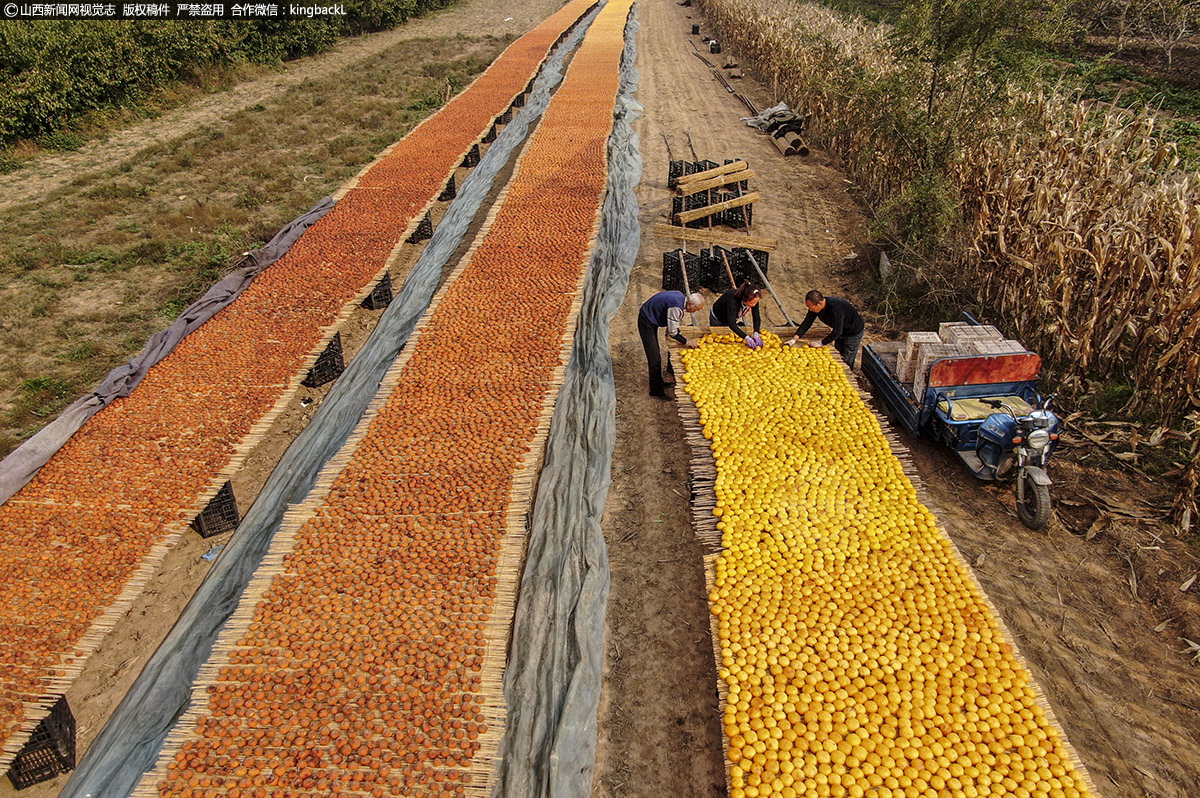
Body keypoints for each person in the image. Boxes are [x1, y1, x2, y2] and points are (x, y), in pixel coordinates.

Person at [638, 290, 704, 400]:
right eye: (696, 309)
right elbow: (673, 332)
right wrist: (687, 342)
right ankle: (655, 391)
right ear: (690, 303)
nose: (694, 312)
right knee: (655, 359)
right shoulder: (676, 306)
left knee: (656, 356)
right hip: (646, 320)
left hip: (651, 315)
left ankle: (659, 382)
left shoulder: (680, 297)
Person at [788, 290, 865, 369]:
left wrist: (822, 342)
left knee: (847, 358)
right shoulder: (815, 307)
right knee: (838, 353)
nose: (810, 310)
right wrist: (795, 338)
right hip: (840, 330)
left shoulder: (836, 309)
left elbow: (838, 331)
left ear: (820, 303)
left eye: (811, 307)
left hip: (853, 331)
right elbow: (807, 322)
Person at [710, 282, 763, 348]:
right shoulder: (733, 301)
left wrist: (756, 332)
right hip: (718, 317)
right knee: (717, 339)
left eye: (756, 302)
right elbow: (731, 324)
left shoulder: (753, 298)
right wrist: (746, 338)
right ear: (745, 299)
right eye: (752, 303)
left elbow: (756, 317)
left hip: (731, 317)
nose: (754, 305)